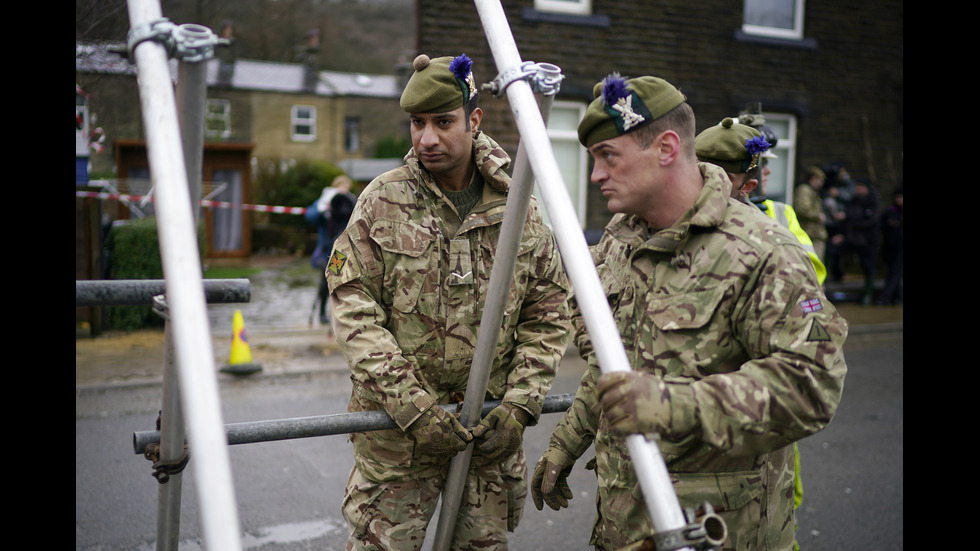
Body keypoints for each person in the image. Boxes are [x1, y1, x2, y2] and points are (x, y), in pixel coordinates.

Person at [530, 73, 848, 551]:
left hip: (720, 530)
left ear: (666, 148)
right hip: (625, 522)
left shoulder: (761, 251)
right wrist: (566, 443)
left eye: (607, 156)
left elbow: (813, 383)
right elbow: (610, 365)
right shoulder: (620, 238)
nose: (595, 175)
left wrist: (672, 404)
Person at [324, 53, 571, 550]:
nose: (427, 138)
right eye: (417, 123)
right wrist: (414, 408)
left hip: (487, 442)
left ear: (474, 120)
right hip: (398, 445)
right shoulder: (382, 202)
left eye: (443, 122)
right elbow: (354, 311)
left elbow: (547, 313)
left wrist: (520, 406)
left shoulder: (518, 202)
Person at [698, 115, 827, 285]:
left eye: (766, 164)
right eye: (762, 164)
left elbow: (810, 275)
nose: (767, 171)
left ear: (748, 186)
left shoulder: (780, 212)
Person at [306, 175, 356, 324]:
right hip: (326, 250)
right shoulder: (326, 201)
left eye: (346, 188)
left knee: (340, 282)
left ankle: (339, 314)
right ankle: (322, 313)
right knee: (325, 282)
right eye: (341, 187)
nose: (343, 191)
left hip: (340, 252)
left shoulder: (349, 202)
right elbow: (310, 217)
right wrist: (324, 207)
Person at [794, 166, 829, 263]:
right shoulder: (804, 190)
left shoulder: (812, 191)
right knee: (813, 264)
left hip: (815, 233)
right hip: (810, 234)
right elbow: (802, 209)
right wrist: (818, 216)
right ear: (814, 178)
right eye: (820, 180)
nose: (821, 183)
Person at [876, 185, 903, 305]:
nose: (899, 200)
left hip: (900, 249)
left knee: (894, 273)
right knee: (893, 272)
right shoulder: (890, 211)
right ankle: (896, 297)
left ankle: (884, 297)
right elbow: (880, 226)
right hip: (890, 247)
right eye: (897, 197)